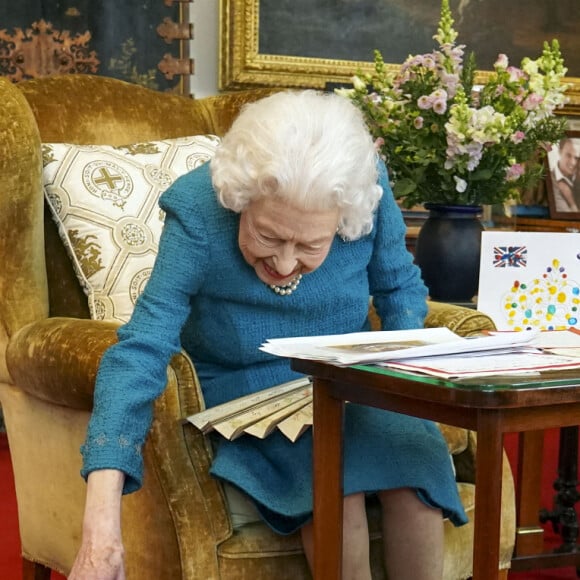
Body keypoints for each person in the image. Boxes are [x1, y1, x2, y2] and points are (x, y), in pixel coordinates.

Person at [69, 90, 467, 580]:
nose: (283, 264)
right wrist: (101, 520)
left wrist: (405, 377)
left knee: (415, 474)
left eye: (310, 245)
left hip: (350, 380)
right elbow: (143, 346)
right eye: (268, 236)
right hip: (248, 388)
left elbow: (397, 284)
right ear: (242, 197)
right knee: (335, 493)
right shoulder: (198, 209)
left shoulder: (364, 188)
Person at [551, 137, 579, 212]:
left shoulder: (577, 178)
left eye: (576, 158)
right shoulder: (550, 179)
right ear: (560, 152)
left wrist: (570, 199)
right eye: (568, 155)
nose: (573, 162)